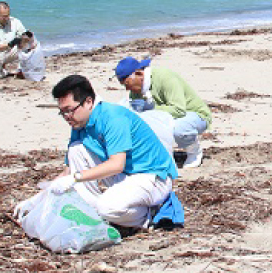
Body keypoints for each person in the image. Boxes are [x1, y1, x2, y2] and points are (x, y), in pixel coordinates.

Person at [47, 74, 179, 229]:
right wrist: (42, 197)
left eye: (69, 111)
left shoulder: (113, 117)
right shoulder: (79, 122)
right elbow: (68, 170)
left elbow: (117, 164)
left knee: (108, 208)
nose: (66, 117)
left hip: (152, 176)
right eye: (62, 112)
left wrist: (76, 178)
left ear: (89, 102)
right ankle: (97, 211)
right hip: (126, 175)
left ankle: (147, 217)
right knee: (76, 149)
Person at [115, 57, 212, 168]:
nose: (127, 89)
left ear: (138, 73)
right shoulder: (135, 91)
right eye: (124, 85)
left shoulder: (165, 77)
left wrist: (151, 108)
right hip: (168, 116)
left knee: (178, 129)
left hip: (194, 115)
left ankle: (194, 151)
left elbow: (178, 110)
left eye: (127, 83)